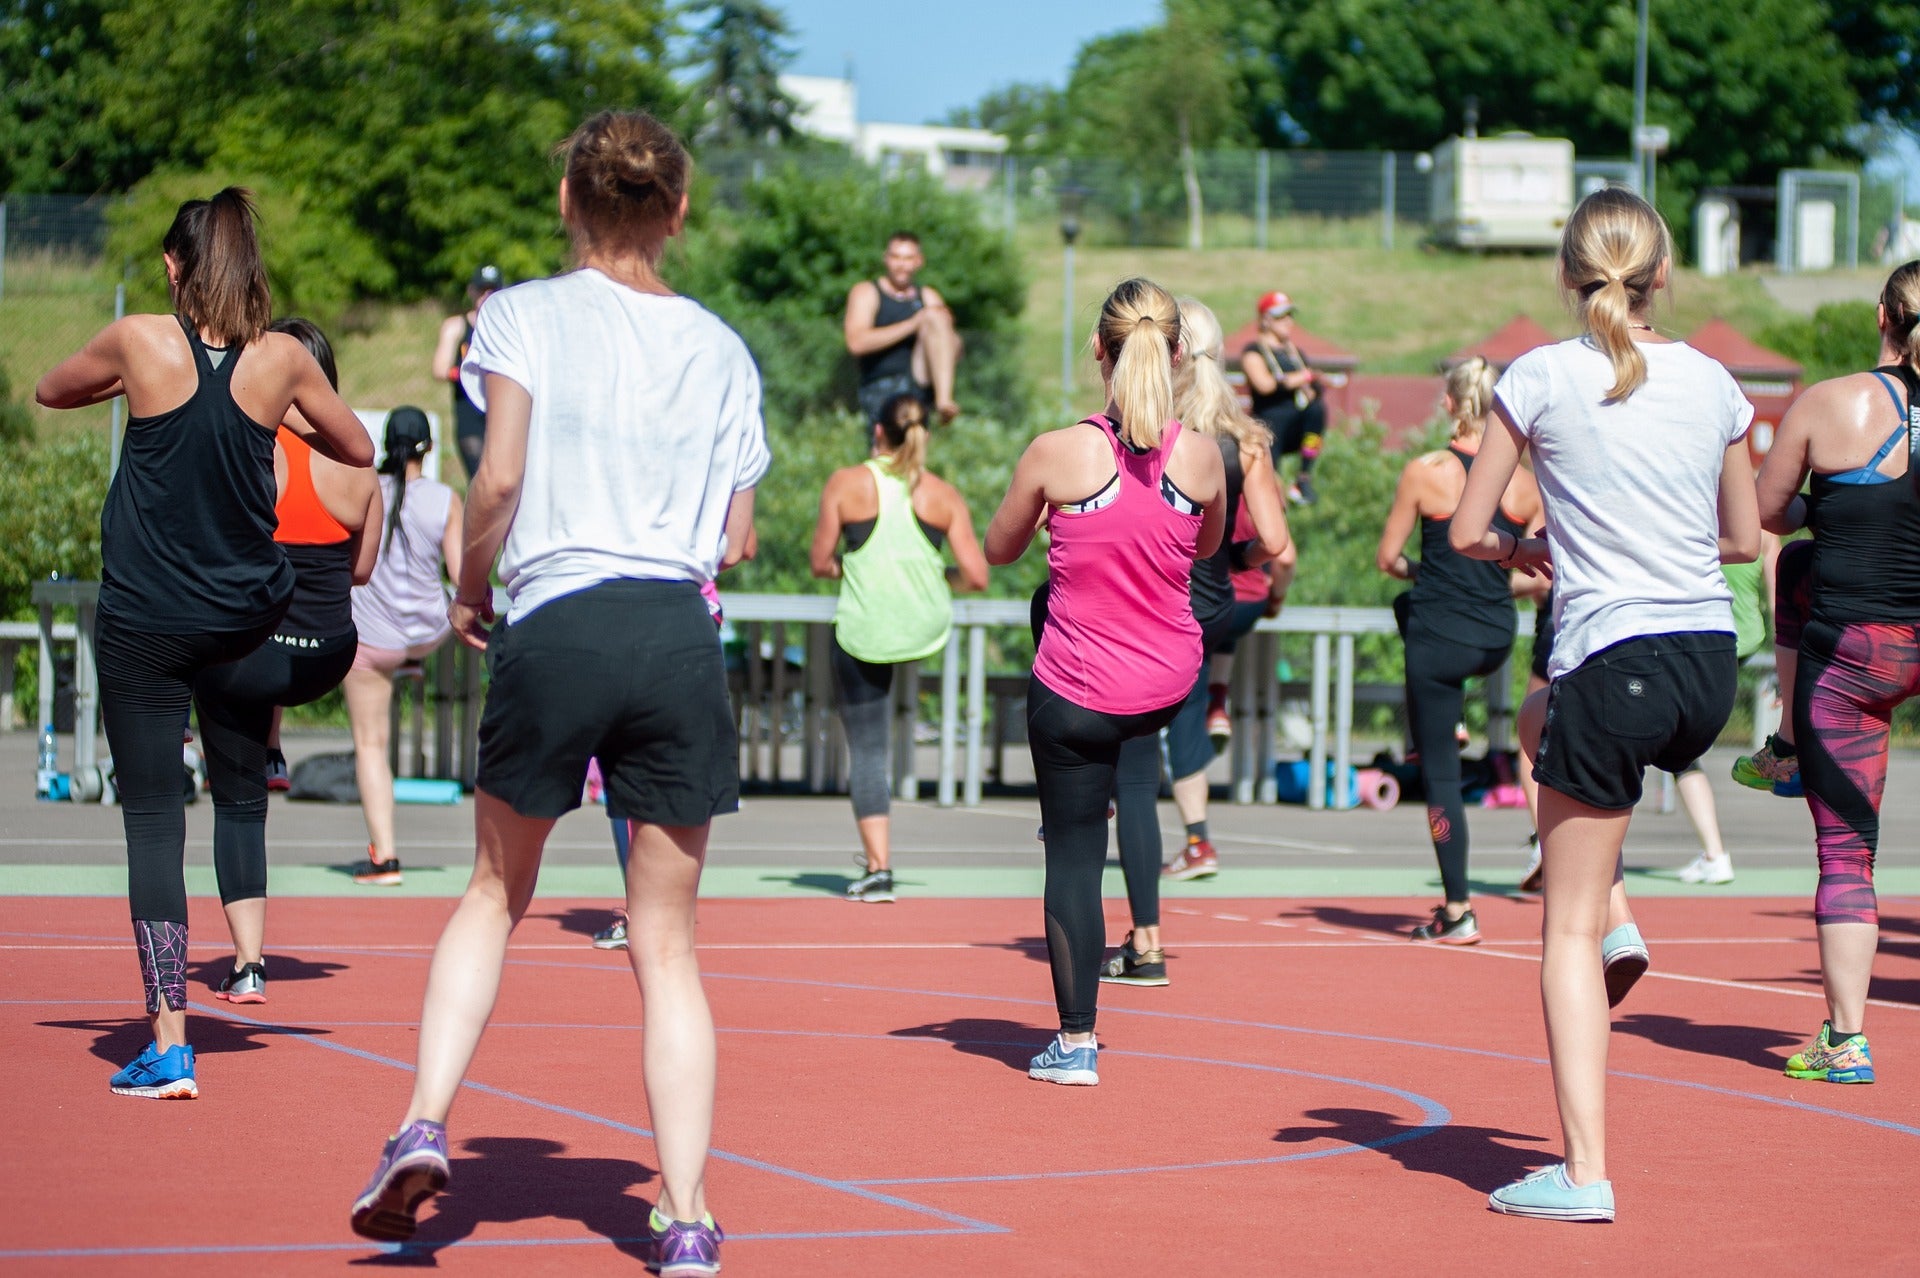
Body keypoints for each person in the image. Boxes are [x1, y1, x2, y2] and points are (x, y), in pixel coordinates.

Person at [350, 111, 767, 1278]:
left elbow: (501, 476)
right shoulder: (724, 349)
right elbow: (736, 534)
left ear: (568, 203)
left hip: (558, 614)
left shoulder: (519, 314)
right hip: (675, 629)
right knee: (669, 948)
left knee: (494, 893)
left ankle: (423, 1123)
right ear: (676, 211)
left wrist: (473, 588)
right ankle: (684, 1218)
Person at [1452, 187, 1758, 1222]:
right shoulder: (1715, 381)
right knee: (1571, 768)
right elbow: (1747, 539)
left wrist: (1527, 549)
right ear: (1663, 274)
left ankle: (1583, 1171)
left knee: (1563, 932)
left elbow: (1464, 530)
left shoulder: (1537, 376)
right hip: (1707, 662)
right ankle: (1619, 920)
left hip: (1612, 652)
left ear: (1566, 275)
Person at [36, 188, 373, 1099]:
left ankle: (170, 1043)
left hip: (146, 622)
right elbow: (357, 450)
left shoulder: (142, 341)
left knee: (152, 821)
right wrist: (276, 414)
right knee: (234, 776)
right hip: (241, 620)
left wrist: (135, 388)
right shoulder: (284, 361)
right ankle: (251, 788)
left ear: (176, 268)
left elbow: (51, 389)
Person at [984, 277, 1224, 1085]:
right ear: (1180, 352)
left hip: (1079, 690)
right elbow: (1204, 541)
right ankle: (1146, 935)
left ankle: (1077, 1042)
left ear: (1099, 349)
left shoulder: (1058, 451)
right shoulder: (1201, 454)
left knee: (1075, 856)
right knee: (1137, 782)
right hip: (1160, 683)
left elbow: (998, 548)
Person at [1752, 259, 1920, 1087]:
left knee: (1848, 853)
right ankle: (1785, 741)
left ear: (1882, 314)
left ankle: (1847, 1040)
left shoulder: (1830, 401)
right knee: (1804, 566)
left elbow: (1767, 515)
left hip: (1852, 655)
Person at [198, 318, 381, 1002]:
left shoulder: (248, 452)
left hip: (254, 660)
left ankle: (248, 964)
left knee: (238, 805)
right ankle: (269, 745)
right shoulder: (359, 468)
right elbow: (360, 573)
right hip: (328, 654)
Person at [1377, 356, 1541, 944]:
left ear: (1449, 404)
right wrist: (1493, 581)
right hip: (1496, 634)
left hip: (1439, 640)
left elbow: (1389, 558)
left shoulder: (1426, 470)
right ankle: (1457, 720)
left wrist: (1428, 573)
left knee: (1441, 776)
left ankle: (1457, 909)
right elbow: (1541, 572)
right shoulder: (1523, 483)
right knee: (1421, 622)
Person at [811, 392, 989, 903]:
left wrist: (852, 566)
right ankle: (880, 864)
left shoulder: (847, 484)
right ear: (923, 435)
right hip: (923, 628)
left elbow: (820, 561)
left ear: (877, 433)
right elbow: (976, 577)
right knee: (899, 716)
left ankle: (879, 868)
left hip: (866, 630)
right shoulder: (942, 495)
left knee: (868, 748)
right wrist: (933, 575)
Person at [1147, 298, 1291, 901]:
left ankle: (1187, 834)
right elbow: (1277, 543)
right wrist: (1237, 559)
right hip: (1216, 601)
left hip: (1160, 600)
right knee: (1188, 704)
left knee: (1150, 716)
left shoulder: (1153, 433)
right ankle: (1197, 834)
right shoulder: (1246, 441)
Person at [344, 407, 463, 887]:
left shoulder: (364, 490)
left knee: (370, 746)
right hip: (428, 632)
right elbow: (458, 574)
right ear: (428, 449)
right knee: (435, 619)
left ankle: (385, 859)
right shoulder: (444, 499)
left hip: (372, 641)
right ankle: (413, 663)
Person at [844, 232, 962, 428]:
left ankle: (944, 401)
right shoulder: (867, 292)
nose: (901, 265)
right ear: (886, 259)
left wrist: (947, 331)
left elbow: (954, 352)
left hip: (920, 387)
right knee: (887, 457)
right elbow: (856, 342)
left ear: (919, 261)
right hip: (882, 388)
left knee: (936, 316)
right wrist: (913, 324)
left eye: (908, 258)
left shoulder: (928, 296)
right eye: (896, 257)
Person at [1731, 535, 1812, 797]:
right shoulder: (1765, 535)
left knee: (1793, 560)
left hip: (1711, 632)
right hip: (1748, 637)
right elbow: (1776, 600)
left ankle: (1787, 748)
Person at [1240, 291, 1325, 504]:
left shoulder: (1295, 353)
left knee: (1318, 410)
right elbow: (1264, 384)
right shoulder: (1254, 351)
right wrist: (1302, 377)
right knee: (1270, 487)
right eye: (1280, 316)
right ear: (1266, 320)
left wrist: (1312, 384)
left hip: (1295, 424)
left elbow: (1311, 387)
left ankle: (1303, 477)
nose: (1287, 321)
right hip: (1270, 424)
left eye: (1290, 315)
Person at [431, 264, 504, 480]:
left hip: (500, 408)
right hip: (469, 410)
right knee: (479, 476)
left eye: (492, 290)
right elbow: (439, 369)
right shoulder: (457, 326)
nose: (487, 296)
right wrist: (468, 373)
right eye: (482, 290)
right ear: (472, 292)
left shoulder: (507, 325)